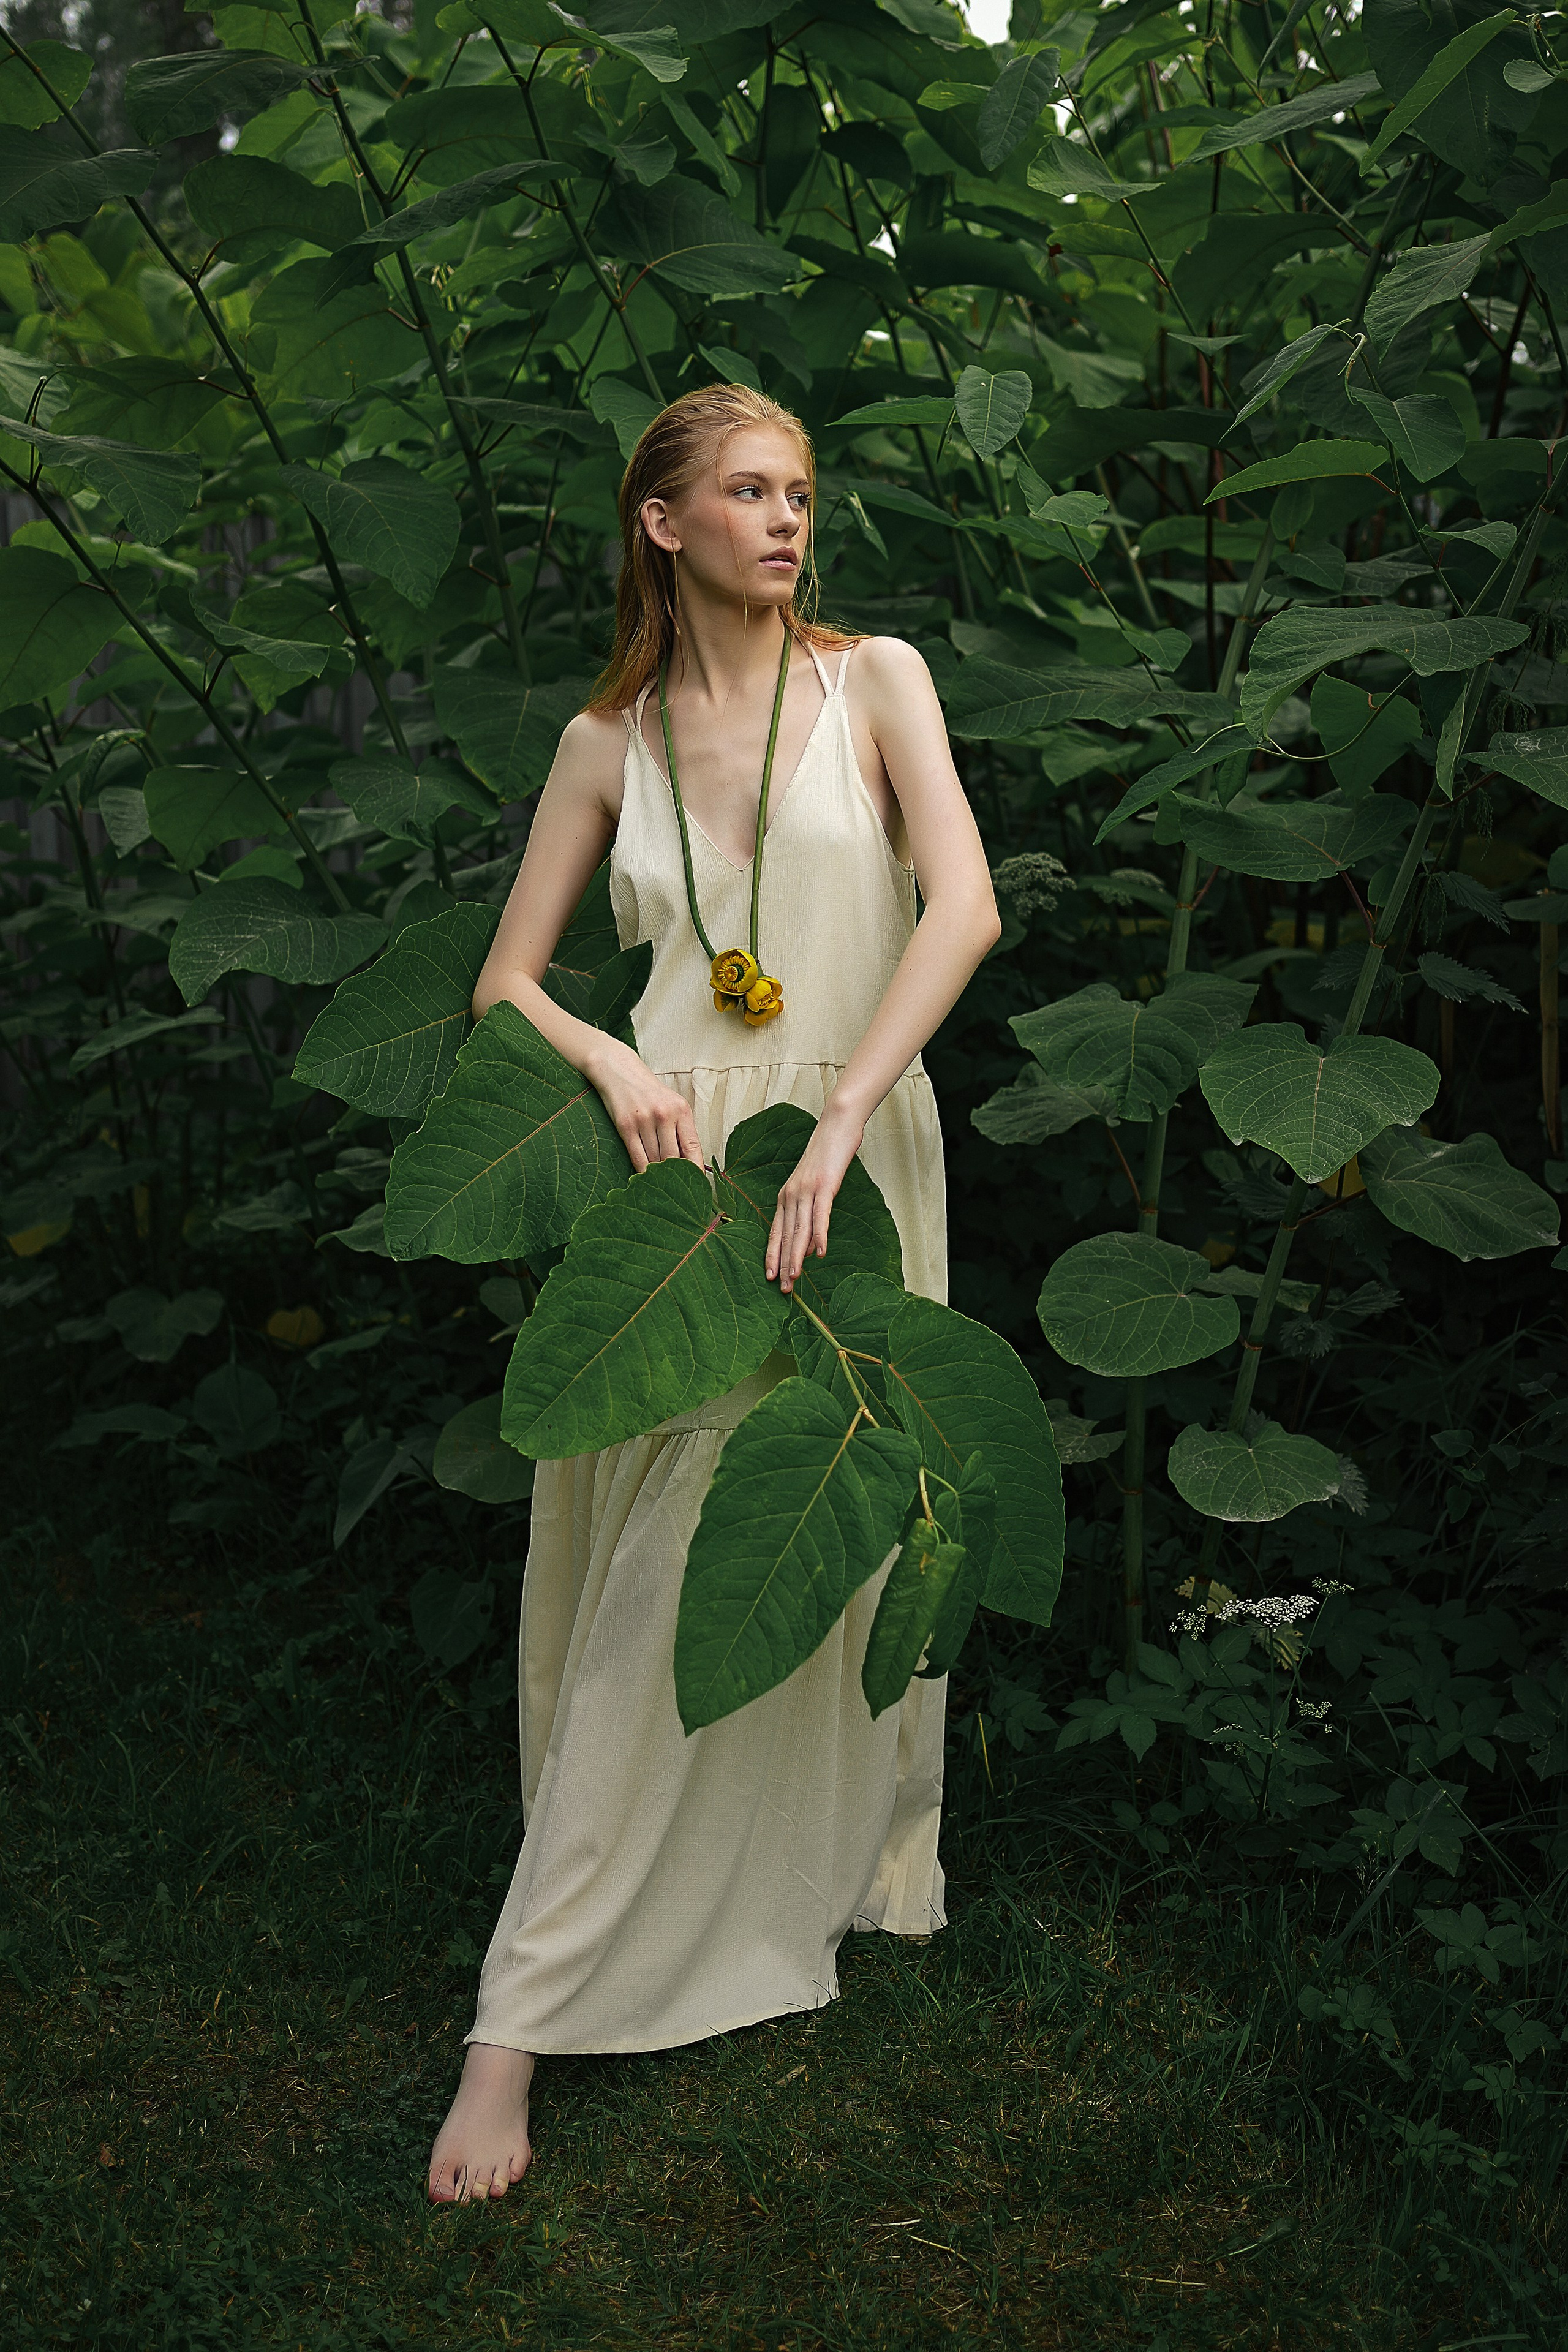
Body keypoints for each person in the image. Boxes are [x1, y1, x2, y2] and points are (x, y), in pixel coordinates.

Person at [426, 382, 1001, 2203]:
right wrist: (612, 1059)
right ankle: (517, 2022)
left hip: (848, 1146)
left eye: (801, 493)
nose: (787, 521)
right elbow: (506, 984)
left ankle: (813, 1872)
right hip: (680, 1178)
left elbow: (964, 909)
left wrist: (841, 1115)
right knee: (666, 1571)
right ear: (663, 523)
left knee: (815, 1536)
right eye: (750, 492)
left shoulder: (878, 682)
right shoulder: (608, 741)